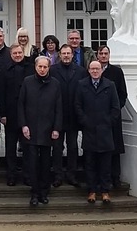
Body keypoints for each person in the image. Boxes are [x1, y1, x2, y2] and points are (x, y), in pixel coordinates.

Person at [18, 56, 62, 206]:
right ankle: (34, 193)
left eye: (45, 67)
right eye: (40, 67)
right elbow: (21, 105)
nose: (42, 69)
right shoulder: (27, 82)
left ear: (49, 68)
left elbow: (58, 109)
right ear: (35, 67)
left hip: (48, 130)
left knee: (45, 163)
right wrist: (23, 125)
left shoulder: (55, 84)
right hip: (30, 129)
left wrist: (56, 128)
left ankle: (44, 191)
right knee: (32, 163)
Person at [75, 60, 121, 205]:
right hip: (89, 130)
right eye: (92, 69)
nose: (95, 71)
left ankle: (105, 191)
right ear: (88, 70)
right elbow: (77, 105)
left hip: (105, 131)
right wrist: (84, 121)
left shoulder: (110, 85)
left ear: (101, 70)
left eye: (97, 69)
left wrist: (108, 122)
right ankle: (92, 191)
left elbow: (115, 107)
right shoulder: (82, 84)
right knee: (90, 163)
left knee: (105, 164)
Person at [0, 43, 34, 186]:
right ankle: (11, 175)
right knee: (10, 147)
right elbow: (1, 93)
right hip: (11, 114)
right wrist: (2, 114)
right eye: (15, 54)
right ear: (11, 55)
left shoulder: (30, 68)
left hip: (28, 114)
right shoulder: (5, 70)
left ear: (22, 52)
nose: (18, 56)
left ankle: (27, 175)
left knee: (27, 147)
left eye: (19, 53)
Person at [49, 45, 85, 186]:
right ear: (59, 54)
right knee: (57, 147)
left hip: (74, 115)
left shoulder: (81, 71)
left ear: (72, 55)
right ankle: (57, 175)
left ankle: (72, 174)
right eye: (63, 53)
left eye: (68, 53)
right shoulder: (52, 70)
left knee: (73, 147)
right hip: (57, 115)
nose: (66, 55)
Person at [97, 45, 128, 186]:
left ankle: (115, 177)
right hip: (96, 117)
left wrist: (115, 111)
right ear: (97, 55)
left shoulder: (117, 72)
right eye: (101, 53)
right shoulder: (93, 70)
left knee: (114, 147)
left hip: (112, 117)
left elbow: (123, 94)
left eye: (106, 53)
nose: (103, 56)